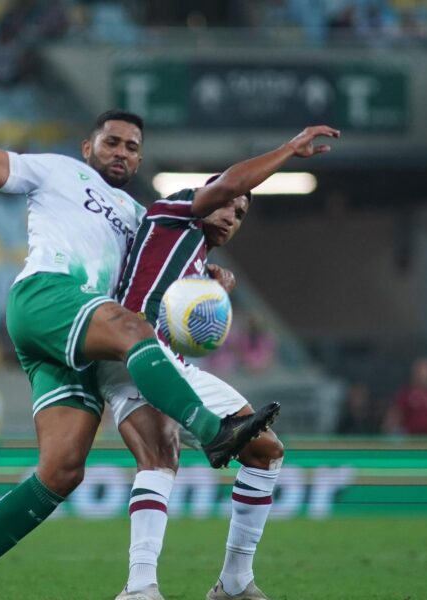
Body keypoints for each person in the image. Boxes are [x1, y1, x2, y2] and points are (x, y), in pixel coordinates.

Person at [0, 34, 279, 600]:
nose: (122, 152)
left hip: (79, 340)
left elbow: (155, 282)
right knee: (131, 328)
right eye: (112, 142)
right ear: (88, 146)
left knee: (62, 469)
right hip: (48, 297)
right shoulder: (54, 172)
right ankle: (212, 431)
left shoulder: (138, 214)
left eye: (131, 147)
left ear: (141, 160)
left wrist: (206, 282)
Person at [97, 125, 340, 600]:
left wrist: (212, 295)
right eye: (229, 203)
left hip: (161, 361)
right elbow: (227, 186)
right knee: (160, 453)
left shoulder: (196, 262)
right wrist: (289, 149)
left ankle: (230, 582)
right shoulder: (175, 212)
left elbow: (179, 326)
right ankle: (143, 587)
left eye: (242, 213)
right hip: (129, 351)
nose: (233, 213)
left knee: (264, 450)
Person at [384, 357, 427, 435]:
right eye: (422, 371)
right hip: (410, 438)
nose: (425, 374)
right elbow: (396, 414)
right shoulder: (407, 393)